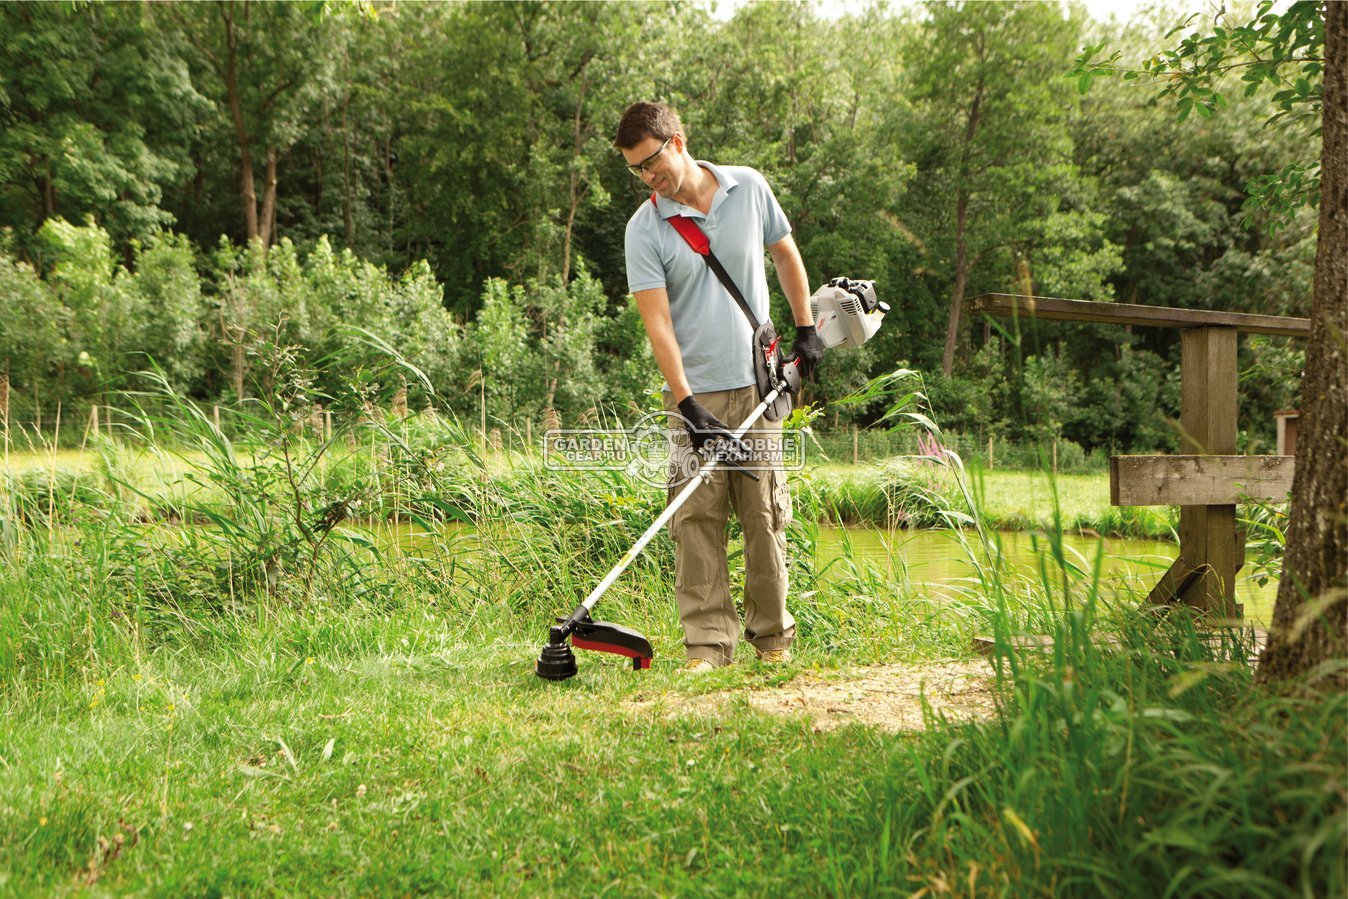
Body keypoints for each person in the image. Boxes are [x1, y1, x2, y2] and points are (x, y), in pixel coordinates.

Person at [614, 101, 825, 672]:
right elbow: (658, 323)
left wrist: (806, 330)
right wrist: (685, 404)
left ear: (678, 141)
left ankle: (773, 640)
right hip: (696, 396)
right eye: (637, 170)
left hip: (760, 385)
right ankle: (708, 647)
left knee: (763, 514)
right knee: (696, 520)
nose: (648, 178)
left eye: (652, 162)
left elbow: (785, 255)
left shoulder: (749, 188)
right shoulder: (645, 229)